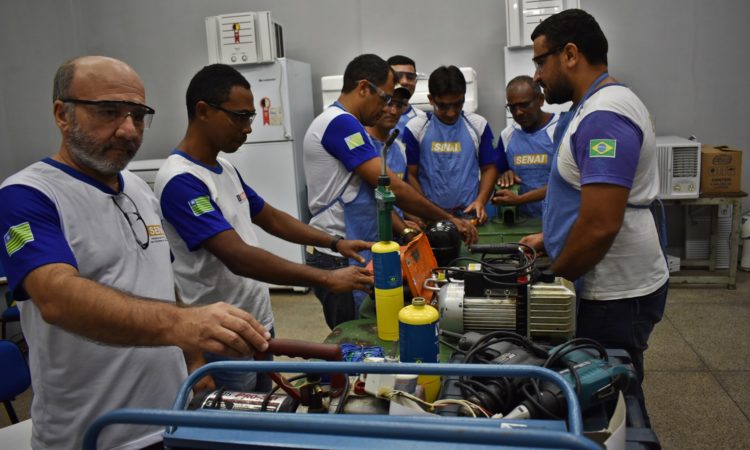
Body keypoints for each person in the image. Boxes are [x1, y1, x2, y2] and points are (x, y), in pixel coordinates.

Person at [0, 56, 270, 450]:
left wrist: (193, 359)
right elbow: (56, 297)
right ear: (62, 113)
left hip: (168, 418)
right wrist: (182, 326)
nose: (128, 130)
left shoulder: (139, 189)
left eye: (138, 116)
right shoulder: (28, 195)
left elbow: (165, 281)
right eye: (109, 112)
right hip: (95, 433)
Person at [155, 64, 374, 391]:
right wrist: (327, 277)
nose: (247, 129)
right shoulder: (180, 181)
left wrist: (334, 242)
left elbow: (269, 217)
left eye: (250, 118)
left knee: (264, 404)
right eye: (239, 117)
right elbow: (238, 257)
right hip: (221, 334)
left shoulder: (223, 167)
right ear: (203, 111)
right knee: (241, 423)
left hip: (254, 322)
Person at [520, 9, 669, 424]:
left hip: (613, 293)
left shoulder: (605, 116)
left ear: (570, 54)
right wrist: (547, 238)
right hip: (613, 283)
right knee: (607, 386)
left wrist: (555, 278)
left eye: (539, 61)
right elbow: (580, 196)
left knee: (608, 392)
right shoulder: (596, 107)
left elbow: (602, 223)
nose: (536, 76)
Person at [303, 54, 477, 329]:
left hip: (355, 247)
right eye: (384, 98)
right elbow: (390, 186)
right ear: (363, 88)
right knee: (353, 338)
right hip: (338, 253)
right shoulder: (339, 122)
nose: (388, 107)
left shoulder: (347, 125)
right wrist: (446, 219)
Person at [403, 65, 499, 224]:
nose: (451, 112)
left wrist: (480, 201)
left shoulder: (478, 125)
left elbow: (489, 168)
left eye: (457, 104)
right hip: (431, 219)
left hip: (469, 216)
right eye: (443, 106)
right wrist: (427, 210)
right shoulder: (416, 128)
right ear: (431, 99)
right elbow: (410, 175)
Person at [493, 75, 559, 218]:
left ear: (540, 100)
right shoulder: (507, 135)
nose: (518, 112)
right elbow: (497, 173)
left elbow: (566, 182)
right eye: (512, 107)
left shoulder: (560, 130)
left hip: (557, 221)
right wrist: (504, 175)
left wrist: (520, 199)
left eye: (524, 105)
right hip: (521, 223)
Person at [364, 83, 422, 241]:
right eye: (389, 103)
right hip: (365, 239)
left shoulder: (398, 148)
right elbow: (372, 200)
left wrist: (414, 217)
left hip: (394, 237)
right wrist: (404, 229)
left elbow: (399, 198)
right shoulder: (361, 144)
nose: (394, 111)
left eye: (400, 105)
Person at [387, 55, 427, 136]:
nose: (404, 81)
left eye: (410, 77)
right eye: (398, 76)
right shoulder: (373, 116)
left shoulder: (422, 119)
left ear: (415, 82)